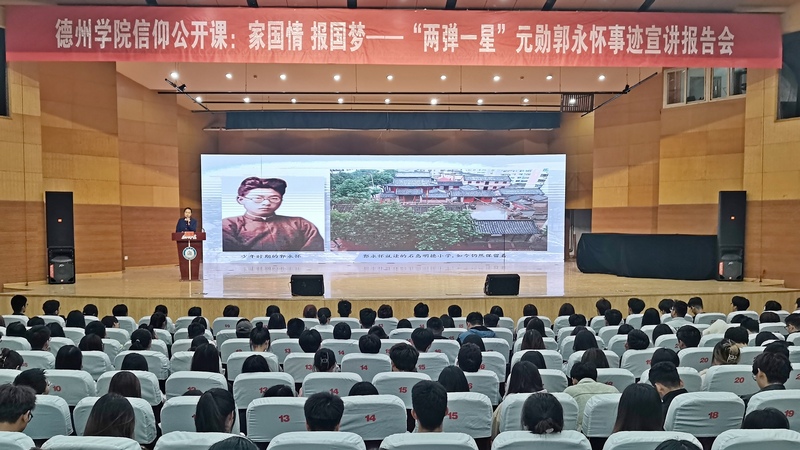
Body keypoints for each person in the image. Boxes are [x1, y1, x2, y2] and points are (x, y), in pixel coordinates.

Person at [222, 177, 323, 251]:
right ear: (240, 200)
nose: (266, 203)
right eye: (258, 198)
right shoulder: (228, 225)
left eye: (274, 198)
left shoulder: (300, 223)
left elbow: (314, 253)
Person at [564, 362, 619, 431]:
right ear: (596, 378)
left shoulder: (568, 392)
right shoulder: (613, 390)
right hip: (611, 433)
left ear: (574, 380)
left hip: (580, 433)